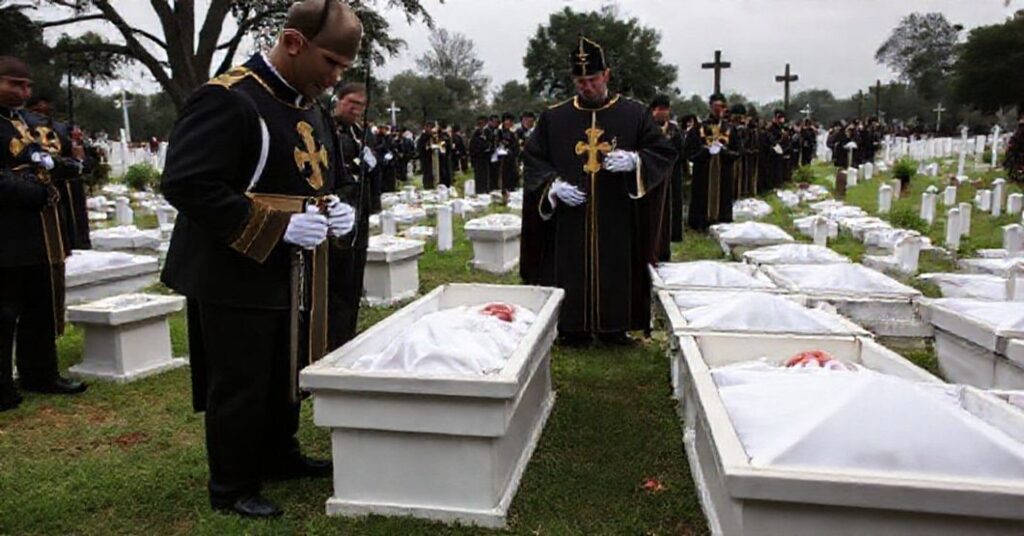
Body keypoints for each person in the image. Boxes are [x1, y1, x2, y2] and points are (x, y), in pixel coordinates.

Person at [158, 0, 361, 517]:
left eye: (343, 69)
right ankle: (231, 484)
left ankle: (279, 452)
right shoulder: (228, 99)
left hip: (292, 267)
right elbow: (187, 183)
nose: (335, 79)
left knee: (283, 364)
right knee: (242, 375)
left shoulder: (308, 102)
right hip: (232, 266)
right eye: (331, 64)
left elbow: (324, 176)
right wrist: (279, 226)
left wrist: (339, 207)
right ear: (294, 43)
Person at [522, 36, 675, 346]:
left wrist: (636, 161)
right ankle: (571, 327)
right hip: (570, 217)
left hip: (616, 210)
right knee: (569, 267)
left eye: (593, 79)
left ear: (606, 75)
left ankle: (615, 328)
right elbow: (533, 158)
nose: (587, 87)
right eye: (580, 81)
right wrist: (552, 187)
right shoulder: (554, 118)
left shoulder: (633, 114)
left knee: (616, 265)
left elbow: (661, 151)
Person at [0, 56, 88, 412]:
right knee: (3, 312)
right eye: (14, 84)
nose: (24, 91)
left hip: (38, 231)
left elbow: (42, 158)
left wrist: (67, 167)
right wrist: (31, 190)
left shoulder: (23, 120)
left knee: (41, 306)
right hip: (5, 231)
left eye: (27, 85)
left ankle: (41, 373)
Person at [329, 82, 374, 349]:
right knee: (338, 277)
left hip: (360, 211)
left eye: (361, 106)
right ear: (339, 100)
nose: (356, 110)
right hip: (340, 213)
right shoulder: (328, 128)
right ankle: (332, 335)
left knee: (354, 278)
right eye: (351, 103)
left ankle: (347, 331)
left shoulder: (361, 133)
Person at [684, 93, 738, 231]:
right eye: (715, 107)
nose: (718, 110)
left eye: (721, 107)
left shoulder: (730, 129)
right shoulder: (698, 128)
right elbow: (689, 152)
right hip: (703, 171)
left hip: (723, 171)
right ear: (710, 107)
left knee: (723, 197)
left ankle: (722, 220)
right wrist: (705, 152)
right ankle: (700, 223)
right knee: (701, 196)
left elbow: (738, 151)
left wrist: (724, 152)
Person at [646, 94, 681, 261]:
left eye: (666, 109)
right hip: (650, 177)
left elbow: (680, 150)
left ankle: (663, 250)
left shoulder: (674, 130)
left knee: (667, 213)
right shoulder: (646, 127)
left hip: (670, 177)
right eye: (660, 109)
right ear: (653, 110)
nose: (663, 113)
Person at [469, 115, 492, 192]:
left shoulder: (488, 132)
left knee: (486, 176)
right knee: (479, 176)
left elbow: (490, 143)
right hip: (478, 158)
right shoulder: (476, 133)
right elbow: (472, 145)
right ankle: (479, 190)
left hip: (486, 158)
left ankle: (487, 190)